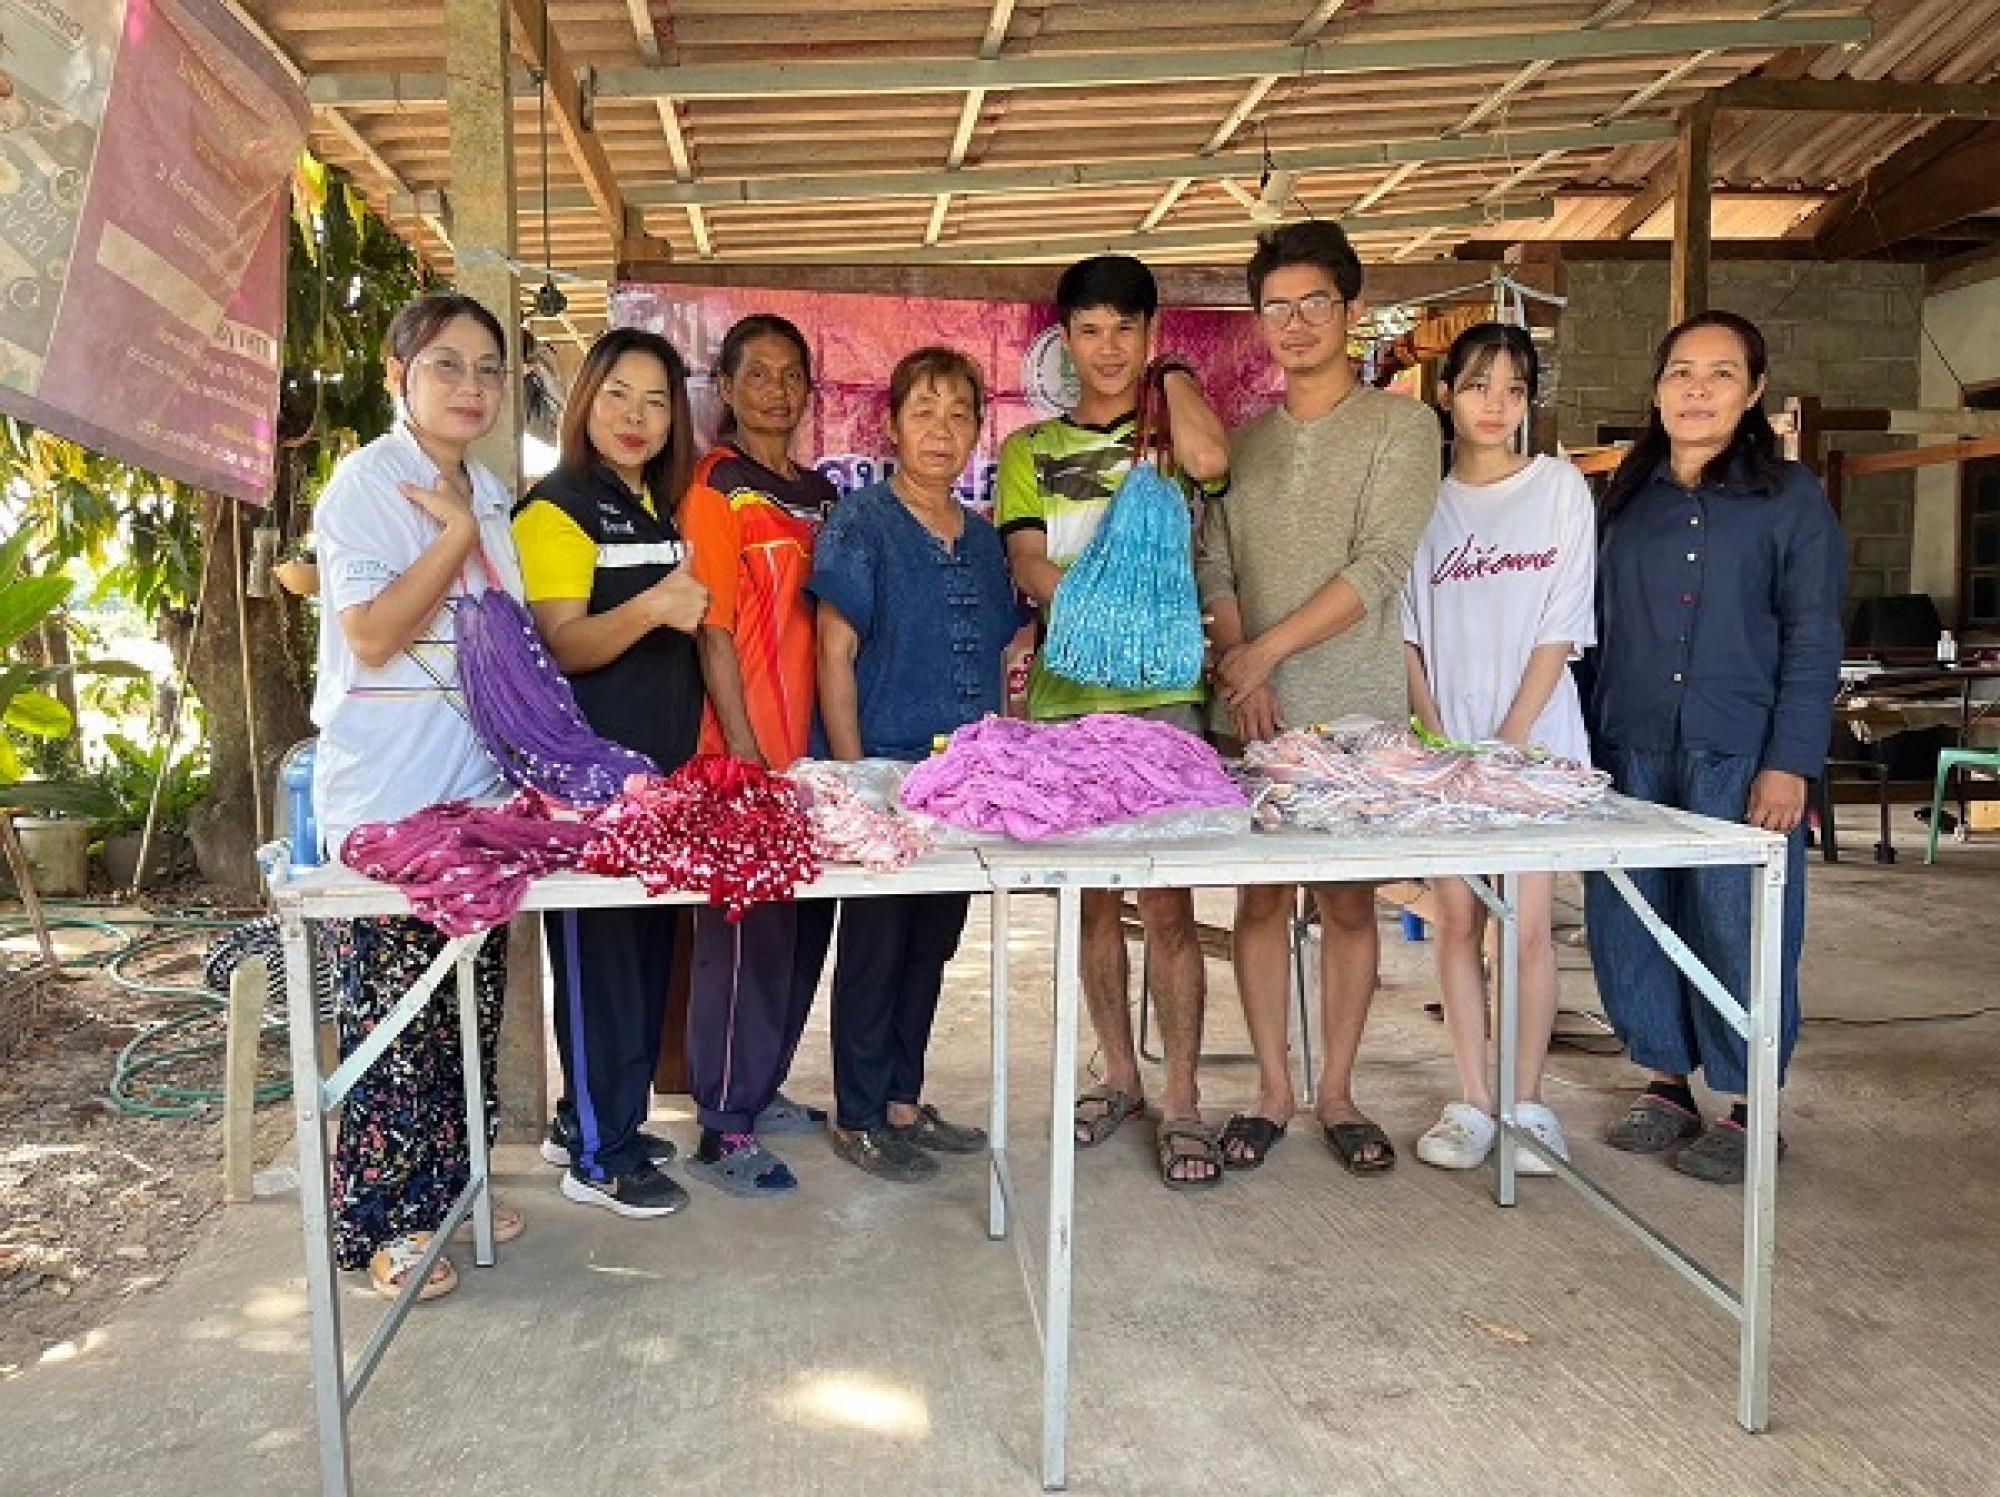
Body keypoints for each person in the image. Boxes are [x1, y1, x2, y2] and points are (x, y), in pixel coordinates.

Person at [1198, 221, 1440, 1176]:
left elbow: (1379, 565)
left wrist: (1264, 654)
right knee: (1259, 902)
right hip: (1251, 712)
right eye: (1276, 308)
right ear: (1258, 321)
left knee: (1346, 903)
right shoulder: (1240, 444)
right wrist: (1242, 667)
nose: (1295, 324)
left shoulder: (1401, 427)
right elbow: (1215, 562)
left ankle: (1337, 1092)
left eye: (1314, 304)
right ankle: (1271, 1090)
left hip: (1352, 713)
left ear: (1350, 310)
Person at [1586, 310, 1842, 1185]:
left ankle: (1747, 1101)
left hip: (1740, 751)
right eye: (1680, 372)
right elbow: (1589, 628)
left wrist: (1791, 762)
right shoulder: (1625, 497)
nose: (1697, 390)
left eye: (1721, 373)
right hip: (1629, 746)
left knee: (1738, 926)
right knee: (1635, 918)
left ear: (1755, 390)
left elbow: (1814, 636)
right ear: (1657, 390)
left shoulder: (1791, 499)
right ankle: (1666, 1082)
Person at [996, 254, 1232, 1189]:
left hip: (1165, 702)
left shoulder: (1172, 435)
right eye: (1089, 331)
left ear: (1149, 335)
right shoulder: (1030, 450)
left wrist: (1172, 380)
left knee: (1168, 904)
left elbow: (1213, 464)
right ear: (1064, 339)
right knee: (1093, 899)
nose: (1107, 348)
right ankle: (1120, 1075)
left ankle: (1183, 1097)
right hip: (1067, 701)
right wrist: (1117, 622)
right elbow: (1027, 564)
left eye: (1126, 330)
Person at [309, 292, 526, 1301]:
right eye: (446, 363)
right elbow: (370, 635)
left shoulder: (490, 490)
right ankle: (381, 1224)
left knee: (462, 1015)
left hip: (475, 802)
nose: (470, 385)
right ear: (397, 374)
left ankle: (450, 1191)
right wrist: (450, 538)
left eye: (487, 368)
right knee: (395, 1026)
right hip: (390, 804)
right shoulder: (366, 484)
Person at [810, 347, 1022, 1181]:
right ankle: (858, 1113)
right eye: (924, 411)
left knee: (931, 942)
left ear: (977, 431)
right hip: (885, 775)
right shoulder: (862, 523)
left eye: (960, 414)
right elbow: (834, 652)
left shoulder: (983, 541)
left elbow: (1001, 653)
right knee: (875, 946)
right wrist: (856, 782)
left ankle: (902, 1099)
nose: (942, 429)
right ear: (892, 426)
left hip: (961, 782)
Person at [513, 328, 710, 1217]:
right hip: (590, 787)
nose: (636, 417)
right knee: (601, 965)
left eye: (656, 401)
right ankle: (599, 1156)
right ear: (585, 399)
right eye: (618, 394)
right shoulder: (557, 509)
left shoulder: (648, 504)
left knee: (641, 955)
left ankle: (595, 1121)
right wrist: (659, 604)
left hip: (652, 780)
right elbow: (564, 642)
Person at [1401, 322, 1594, 1173]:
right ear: (1447, 391)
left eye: (1514, 389)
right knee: (1457, 917)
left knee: (1528, 926)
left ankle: (1529, 1103)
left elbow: (1562, 622)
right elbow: (1406, 631)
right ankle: (1475, 1100)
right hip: (1447, 740)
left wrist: (1511, 742)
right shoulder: (1423, 503)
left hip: (1535, 739)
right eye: (1479, 384)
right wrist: (1439, 737)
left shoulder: (1559, 490)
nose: (1495, 404)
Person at [678, 315, 840, 1193]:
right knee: (742, 939)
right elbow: (712, 629)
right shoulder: (716, 487)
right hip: (748, 748)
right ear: (728, 389)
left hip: (817, 750)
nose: (777, 390)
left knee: (804, 927)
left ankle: (762, 1085)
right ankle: (721, 1125)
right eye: (758, 374)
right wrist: (743, 754)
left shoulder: (821, 493)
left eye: (791, 375)